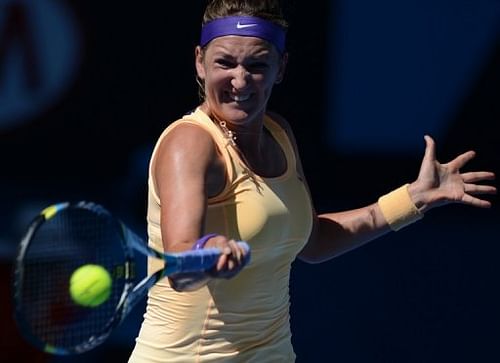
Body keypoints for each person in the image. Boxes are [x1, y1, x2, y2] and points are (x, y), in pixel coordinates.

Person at [128, 0, 496, 361]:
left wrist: (413, 198)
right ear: (200, 62)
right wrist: (208, 255)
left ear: (281, 67)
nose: (240, 80)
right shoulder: (189, 144)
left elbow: (313, 242)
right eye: (225, 62)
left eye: (257, 65)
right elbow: (178, 264)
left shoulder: (279, 132)